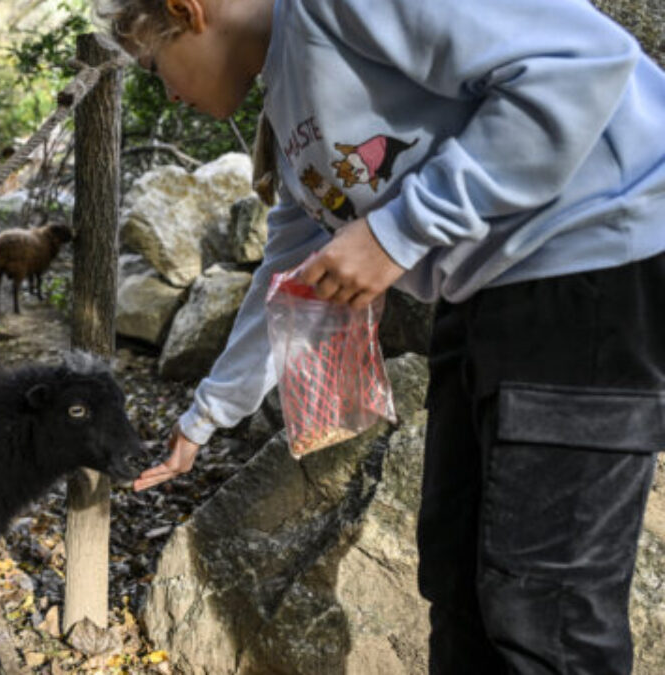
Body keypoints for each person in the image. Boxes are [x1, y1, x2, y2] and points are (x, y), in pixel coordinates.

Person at [98, 0, 665, 671]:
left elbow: (581, 65)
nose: (166, 88)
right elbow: (291, 277)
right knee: (456, 582)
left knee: (545, 609)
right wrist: (202, 420)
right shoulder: (287, 106)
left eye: (154, 64)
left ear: (189, 11)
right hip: (482, 293)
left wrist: (397, 232)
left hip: (594, 268)